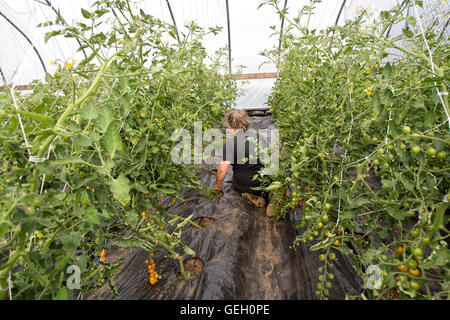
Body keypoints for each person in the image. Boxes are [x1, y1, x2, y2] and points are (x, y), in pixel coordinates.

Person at [213, 110, 273, 217]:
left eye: (227, 126)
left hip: (245, 185)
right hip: (263, 183)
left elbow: (222, 169)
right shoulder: (260, 137)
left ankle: (249, 195)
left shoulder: (231, 144)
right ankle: (272, 197)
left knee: (239, 183)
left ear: (232, 126)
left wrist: (217, 186)